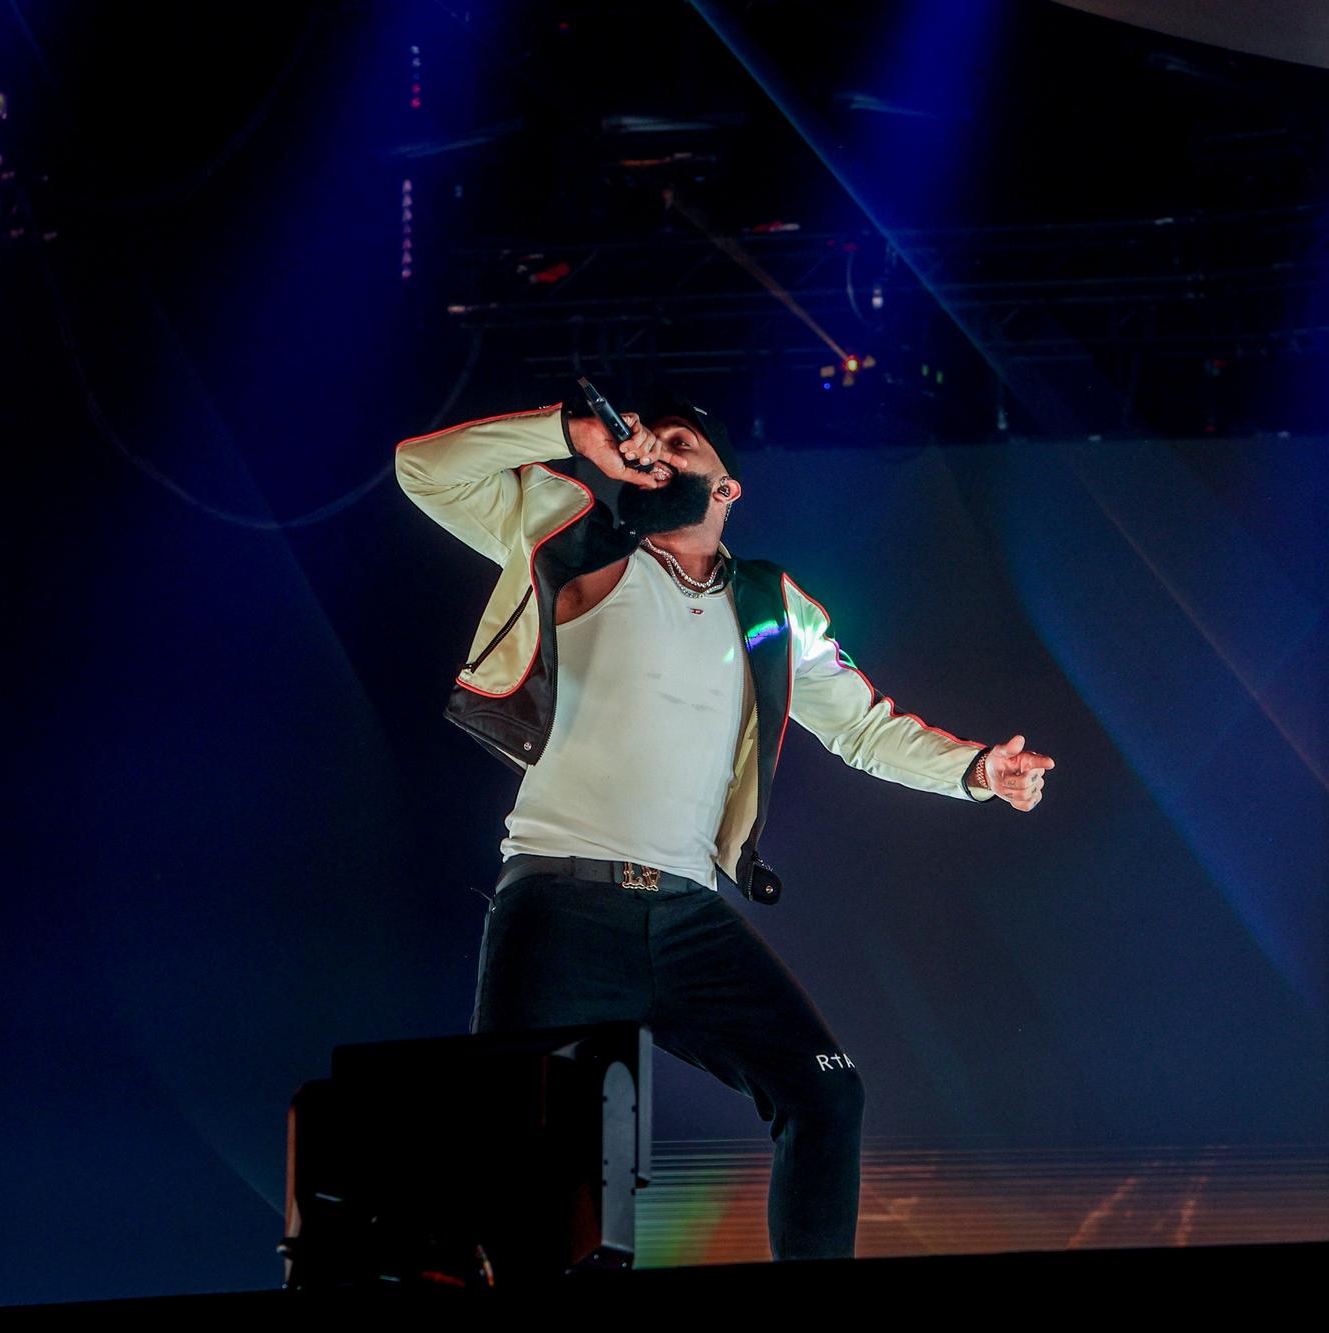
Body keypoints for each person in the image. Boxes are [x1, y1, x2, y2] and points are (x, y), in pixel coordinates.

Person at [392, 392, 1055, 1261]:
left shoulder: (769, 602)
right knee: (529, 1176)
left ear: (727, 488)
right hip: (559, 904)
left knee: (827, 1095)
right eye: (641, 440)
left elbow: (860, 726)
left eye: (677, 443)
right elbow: (421, 469)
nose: (653, 452)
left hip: (684, 916)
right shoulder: (567, 526)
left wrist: (973, 770)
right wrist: (566, 431)